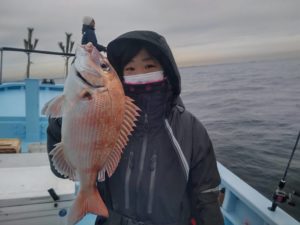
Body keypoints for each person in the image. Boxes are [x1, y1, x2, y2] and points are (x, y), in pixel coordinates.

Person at [47, 30, 224, 225]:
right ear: (120, 76)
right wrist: (68, 117)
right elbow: (61, 171)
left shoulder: (191, 129)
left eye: (149, 66)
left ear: (166, 70)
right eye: (130, 69)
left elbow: (205, 194)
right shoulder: (112, 114)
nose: (140, 74)